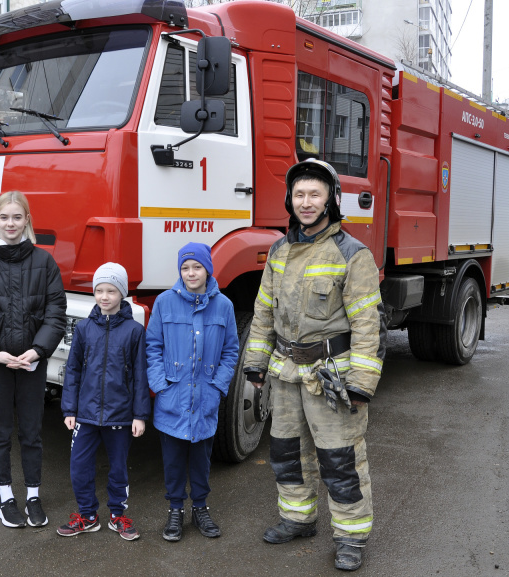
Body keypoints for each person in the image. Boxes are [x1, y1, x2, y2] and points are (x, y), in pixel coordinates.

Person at [242, 159, 386, 571]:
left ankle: (351, 537)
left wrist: (361, 382)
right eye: (299, 194)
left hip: (332, 376)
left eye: (315, 194)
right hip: (286, 373)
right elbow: (263, 311)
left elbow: (366, 322)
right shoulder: (279, 249)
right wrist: (255, 363)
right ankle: (297, 519)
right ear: (290, 200)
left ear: (331, 200)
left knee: (340, 459)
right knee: (287, 452)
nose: (306, 202)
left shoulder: (352, 254)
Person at [0, 191, 66, 528]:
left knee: (32, 432)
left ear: (27, 221)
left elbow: (55, 313)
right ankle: (5, 498)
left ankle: (33, 495)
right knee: (0, 432)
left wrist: (37, 351)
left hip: (33, 362)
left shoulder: (44, 262)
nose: (11, 224)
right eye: (5, 218)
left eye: (17, 217)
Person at [145, 243, 239, 542]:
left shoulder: (224, 305)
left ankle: (200, 507)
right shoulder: (163, 302)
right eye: (185, 268)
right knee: (172, 460)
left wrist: (217, 386)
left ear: (208, 269)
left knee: (201, 459)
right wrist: (160, 385)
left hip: (205, 399)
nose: (190, 273)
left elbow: (231, 350)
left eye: (196, 267)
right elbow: (153, 347)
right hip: (172, 397)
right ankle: (175, 510)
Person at [57, 263, 150, 540]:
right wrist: (69, 409)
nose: (104, 296)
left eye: (111, 290)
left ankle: (118, 516)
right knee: (79, 466)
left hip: (120, 415)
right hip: (84, 414)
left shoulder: (134, 331)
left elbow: (140, 376)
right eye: (99, 290)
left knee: (118, 468)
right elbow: (72, 370)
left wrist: (139, 415)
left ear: (121, 294)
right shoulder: (84, 328)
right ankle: (87, 516)